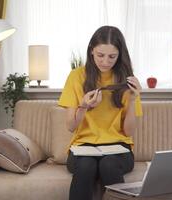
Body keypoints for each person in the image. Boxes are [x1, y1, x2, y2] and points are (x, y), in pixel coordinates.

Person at [58, 25, 143, 200]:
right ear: (91, 51)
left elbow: (128, 132)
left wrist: (133, 99)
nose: (105, 61)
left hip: (119, 148)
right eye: (100, 55)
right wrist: (83, 106)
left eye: (112, 56)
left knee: (109, 165)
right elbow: (70, 126)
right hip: (83, 148)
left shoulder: (127, 80)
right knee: (86, 166)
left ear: (120, 55)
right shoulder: (76, 76)